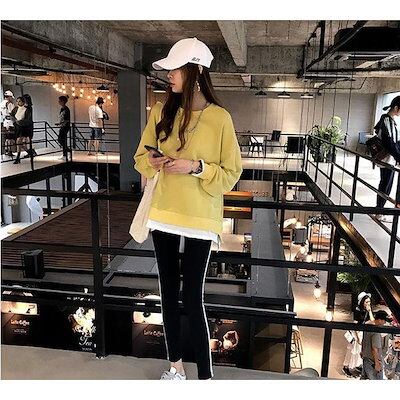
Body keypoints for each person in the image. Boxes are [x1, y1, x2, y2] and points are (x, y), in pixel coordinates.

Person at [133, 37, 242, 380]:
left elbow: (231, 174)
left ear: (195, 71)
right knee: (167, 293)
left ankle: (205, 377)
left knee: (193, 297)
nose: (169, 75)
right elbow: (140, 158)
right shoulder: (160, 110)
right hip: (163, 212)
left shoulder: (220, 118)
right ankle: (176, 368)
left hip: (200, 216)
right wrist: (153, 161)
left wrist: (196, 167)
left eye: (175, 69)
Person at [374, 95, 400, 222]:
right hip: (387, 159)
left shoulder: (389, 120)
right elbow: (389, 143)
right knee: (386, 185)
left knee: (385, 184)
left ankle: (379, 211)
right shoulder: (386, 120)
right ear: (396, 108)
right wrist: (399, 158)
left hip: (389, 159)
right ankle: (379, 212)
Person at [342, 292, 374, 378]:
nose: (368, 303)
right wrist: (358, 338)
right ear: (362, 301)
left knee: (359, 351)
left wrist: (370, 311)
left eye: (369, 301)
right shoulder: (357, 310)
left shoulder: (368, 310)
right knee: (353, 350)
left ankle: (355, 366)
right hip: (357, 332)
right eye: (366, 302)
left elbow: (372, 321)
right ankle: (346, 367)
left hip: (363, 332)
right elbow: (355, 324)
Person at [361, 309, 392, 380]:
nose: (385, 323)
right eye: (384, 321)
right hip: (373, 361)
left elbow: (363, 340)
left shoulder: (367, 325)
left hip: (366, 358)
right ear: (379, 320)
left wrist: (362, 351)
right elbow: (375, 349)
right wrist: (377, 363)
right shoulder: (376, 331)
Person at [10, 96, 33, 164]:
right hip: (17, 127)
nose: (18, 102)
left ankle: (18, 157)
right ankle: (30, 152)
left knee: (19, 141)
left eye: (19, 101)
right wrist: (15, 121)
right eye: (17, 101)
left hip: (23, 127)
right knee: (18, 142)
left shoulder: (27, 109)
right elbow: (11, 115)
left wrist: (20, 122)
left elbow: (28, 120)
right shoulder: (15, 108)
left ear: (23, 102)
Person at [1, 90, 16, 158]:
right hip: (10, 122)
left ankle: (7, 150)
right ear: (9, 97)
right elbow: (12, 113)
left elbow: (1, 113)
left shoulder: (2, 103)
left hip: (5, 122)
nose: (11, 99)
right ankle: (10, 151)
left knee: (7, 138)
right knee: (11, 138)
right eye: (11, 97)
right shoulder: (9, 103)